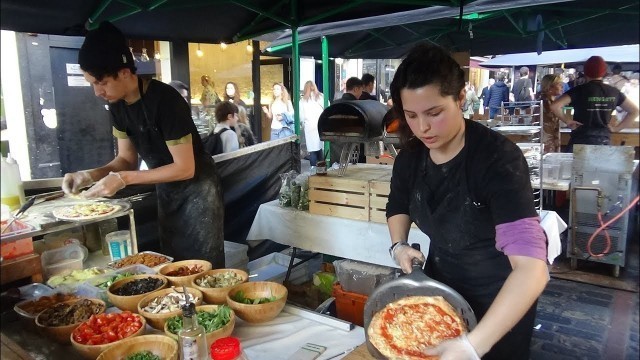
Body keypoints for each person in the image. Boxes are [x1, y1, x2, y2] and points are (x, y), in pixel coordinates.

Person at [386, 43, 548, 359]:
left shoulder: (498, 161)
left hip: (500, 299)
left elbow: (532, 269)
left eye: (434, 113)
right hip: (439, 291)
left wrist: (473, 346)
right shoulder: (410, 157)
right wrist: (398, 245)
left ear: (461, 99)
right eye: (411, 115)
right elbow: (398, 204)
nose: (422, 127)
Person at [64, 21, 224, 266]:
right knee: (173, 262)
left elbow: (185, 168)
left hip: (198, 189)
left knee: (201, 266)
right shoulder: (118, 107)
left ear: (125, 72)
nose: (97, 92)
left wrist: (124, 179)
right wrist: (90, 175)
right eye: (92, 84)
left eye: (101, 82)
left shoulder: (165, 100)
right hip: (167, 188)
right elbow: (126, 160)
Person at [550, 56, 639, 151]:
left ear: (585, 72)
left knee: (575, 166)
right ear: (604, 72)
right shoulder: (614, 92)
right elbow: (634, 111)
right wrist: (617, 129)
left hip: (580, 140)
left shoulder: (578, 90)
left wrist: (568, 121)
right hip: (603, 141)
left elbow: (555, 106)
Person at [300, 80, 325, 166]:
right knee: (320, 148)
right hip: (321, 124)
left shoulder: (303, 101)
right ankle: (323, 168)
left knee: (312, 150)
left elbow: (301, 117)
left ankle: (313, 170)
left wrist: (303, 125)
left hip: (309, 127)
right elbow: (327, 107)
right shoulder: (321, 97)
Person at [538, 74, 564, 153]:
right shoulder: (545, 104)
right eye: (559, 84)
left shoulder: (548, 101)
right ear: (550, 87)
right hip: (547, 146)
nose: (561, 87)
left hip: (549, 143)